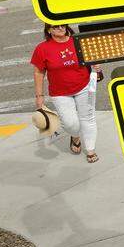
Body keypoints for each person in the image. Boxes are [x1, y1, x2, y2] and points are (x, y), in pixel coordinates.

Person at [31, 23, 100, 162]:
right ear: (49, 30)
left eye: (63, 25)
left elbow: (92, 59)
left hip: (84, 86)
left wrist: (96, 66)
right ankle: (75, 136)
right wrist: (39, 96)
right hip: (59, 92)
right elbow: (39, 73)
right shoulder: (42, 48)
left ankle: (91, 150)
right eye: (56, 27)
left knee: (88, 118)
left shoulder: (78, 41)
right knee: (70, 124)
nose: (60, 28)